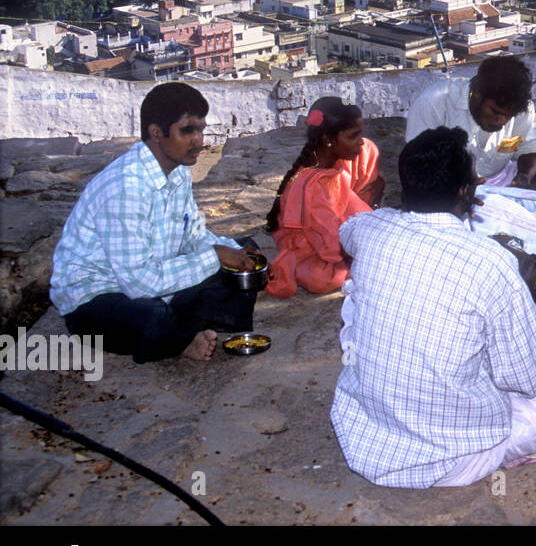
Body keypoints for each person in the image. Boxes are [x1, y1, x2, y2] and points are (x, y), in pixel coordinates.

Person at [330, 126, 536, 488]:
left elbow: (348, 230)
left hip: (366, 435)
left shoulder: (371, 230)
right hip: (453, 455)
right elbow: (524, 380)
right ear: (467, 191)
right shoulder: (489, 262)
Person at [49, 83, 261, 363]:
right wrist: (215, 256)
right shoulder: (126, 187)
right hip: (99, 298)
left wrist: (230, 251)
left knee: (246, 252)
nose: (199, 140)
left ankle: (183, 328)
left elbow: (193, 235)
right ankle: (181, 337)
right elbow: (140, 284)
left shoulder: (178, 172)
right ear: (156, 133)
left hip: (158, 279)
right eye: (188, 131)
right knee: (151, 316)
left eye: (201, 130)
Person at [265, 97, 385, 298]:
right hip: (314, 248)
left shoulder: (334, 161)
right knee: (319, 277)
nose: (360, 140)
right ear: (328, 140)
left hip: (332, 230)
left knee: (368, 150)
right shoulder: (313, 187)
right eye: (353, 135)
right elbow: (331, 250)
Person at [404, 55, 536, 193]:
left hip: (500, 181)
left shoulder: (522, 109)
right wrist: (462, 187)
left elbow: (531, 149)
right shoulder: (434, 102)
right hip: (450, 184)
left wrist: (524, 177)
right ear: (478, 94)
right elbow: (418, 165)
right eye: (495, 112)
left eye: (509, 116)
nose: (502, 121)